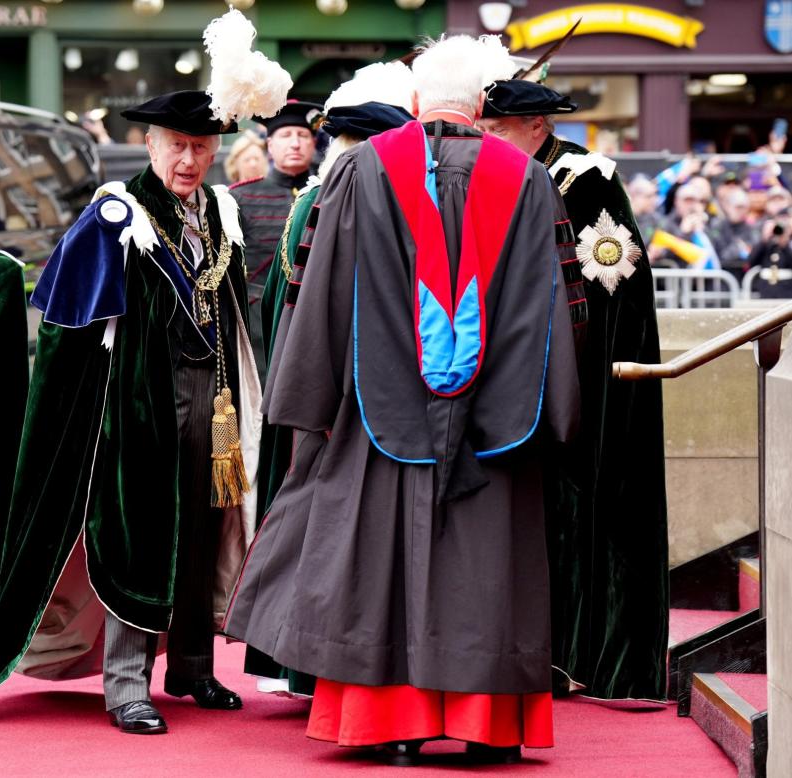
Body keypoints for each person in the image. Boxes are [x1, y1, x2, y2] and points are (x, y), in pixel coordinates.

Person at [226, 34, 579, 765]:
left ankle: (388, 723)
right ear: (482, 106)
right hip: (496, 423)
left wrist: (308, 399)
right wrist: (553, 409)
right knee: (482, 565)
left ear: (415, 103)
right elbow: (557, 310)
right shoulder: (529, 180)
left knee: (377, 561)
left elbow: (316, 294)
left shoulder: (358, 171)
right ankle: (485, 729)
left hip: (373, 407)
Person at [479, 78, 670, 703]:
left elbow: (608, 281)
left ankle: (586, 656)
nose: (486, 138)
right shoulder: (496, 173)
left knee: (584, 516)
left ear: (537, 126)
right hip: (511, 378)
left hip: (580, 377)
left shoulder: (584, 178)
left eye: (498, 128)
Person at [245, 61, 415, 700]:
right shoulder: (340, 197)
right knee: (328, 531)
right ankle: (311, 666)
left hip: (311, 380)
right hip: (345, 390)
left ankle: (294, 663)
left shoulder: (315, 197)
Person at [230, 100, 322, 381]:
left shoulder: (330, 191)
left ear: (314, 143)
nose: (295, 144)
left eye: (303, 135)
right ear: (270, 145)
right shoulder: (240, 197)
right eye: (286, 136)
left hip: (316, 316)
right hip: (261, 323)